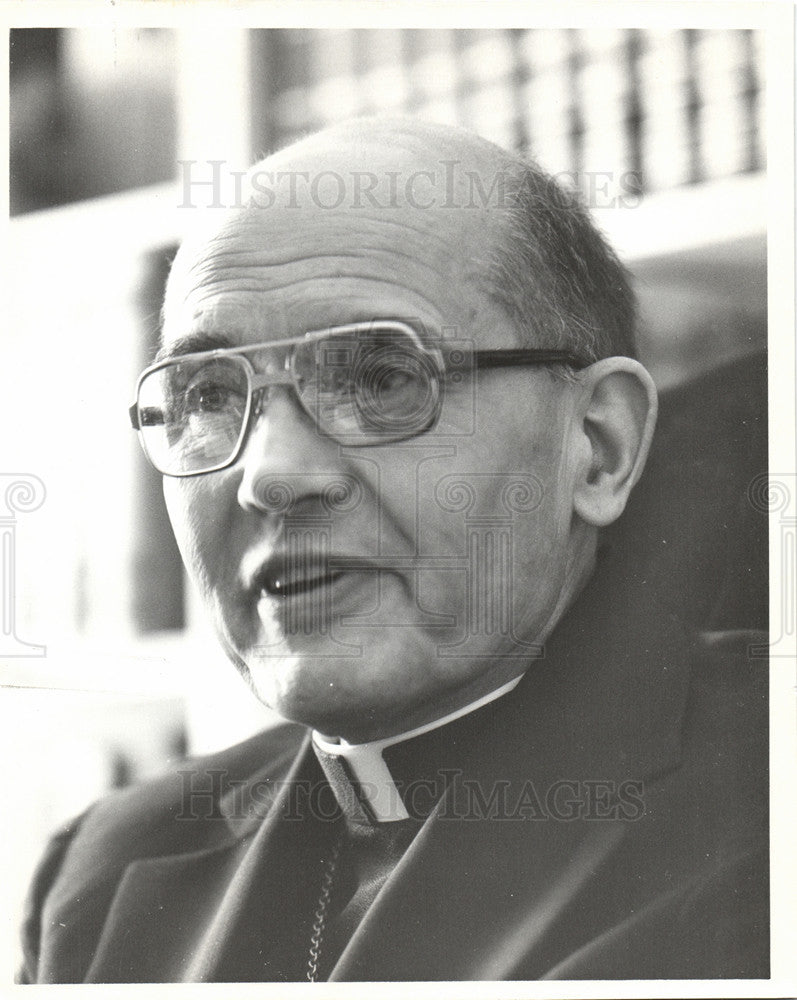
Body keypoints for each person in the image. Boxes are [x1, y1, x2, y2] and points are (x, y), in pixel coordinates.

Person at [18, 118, 768, 983]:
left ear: (596, 446)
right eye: (209, 395)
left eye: (381, 377)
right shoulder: (102, 875)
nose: (271, 476)